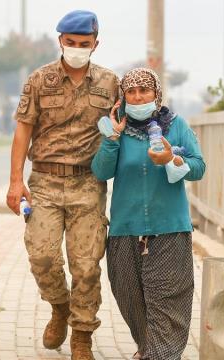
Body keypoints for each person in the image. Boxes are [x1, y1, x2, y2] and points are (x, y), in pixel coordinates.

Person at [5, 10, 119, 360]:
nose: (76, 49)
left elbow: (124, 128)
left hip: (87, 182)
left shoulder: (110, 83)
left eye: (84, 44)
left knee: (86, 265)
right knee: (41, 256)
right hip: (44, 181)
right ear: (60, 41)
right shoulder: (40, 80)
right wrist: (14, 181)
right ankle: (60, 306)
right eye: (70, 43)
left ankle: (81, 336)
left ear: (95, 44)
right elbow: (23, 129)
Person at [91, 68, 205, 360]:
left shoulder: (175, 126)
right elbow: (101, 171)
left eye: (145, 90)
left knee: (168, 299)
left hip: (169, 229)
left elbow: (198, 167)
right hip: (125, 229)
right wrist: (112, 138)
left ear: (157, 94)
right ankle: (148, 348)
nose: (138, 96)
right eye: (131, 92)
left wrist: (172, 158)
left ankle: (161, 354)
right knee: (129, 297)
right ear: (124, 97)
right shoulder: (116, 130)